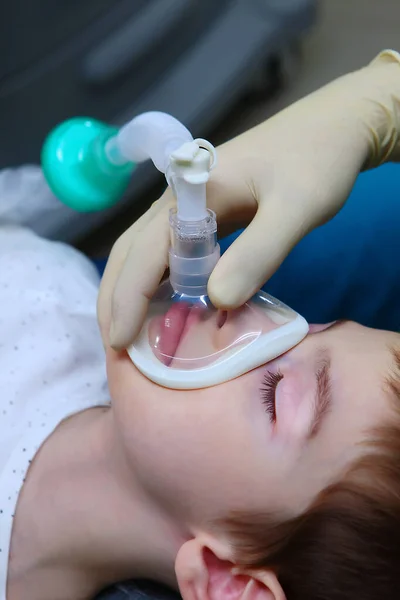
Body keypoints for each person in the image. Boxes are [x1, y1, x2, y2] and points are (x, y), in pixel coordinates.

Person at [1, 50, 400, 600]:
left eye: (277, 392)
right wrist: (379, 99)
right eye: (307, 326)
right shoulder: (57, 292)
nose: (246, 310)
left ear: (230, 581)